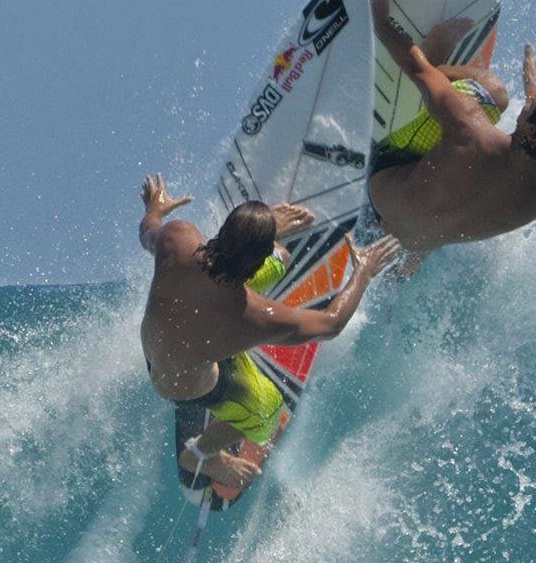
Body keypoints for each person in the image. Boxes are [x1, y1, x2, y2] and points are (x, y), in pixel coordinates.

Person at [138, 177, 392, 498]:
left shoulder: (178, 238)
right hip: (185, 384)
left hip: (158, 349)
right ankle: (202, 454)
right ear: (255, 259)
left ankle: (262, 247)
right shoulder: (251, 317)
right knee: (268, 410)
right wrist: (363, 273)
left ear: (225, 230)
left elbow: (148, 231)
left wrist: (154, 209)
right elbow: (331, 323)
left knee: (281, 258)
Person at [365, 0, 536, 259]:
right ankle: (411, 262)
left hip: (381, 194)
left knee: (494, 92)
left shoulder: (470, 127)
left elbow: (415, 68)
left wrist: (381, 19)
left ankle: (438, 63)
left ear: (531, 129)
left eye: (531, 103)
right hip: (412, 243)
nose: (526, 102)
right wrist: (532, 79)